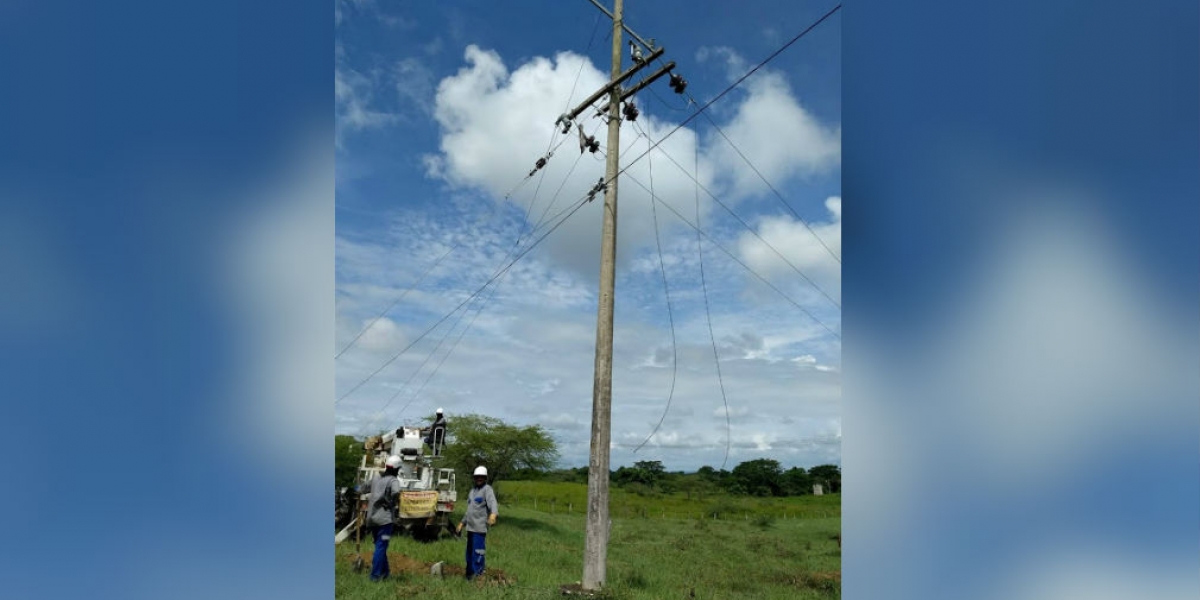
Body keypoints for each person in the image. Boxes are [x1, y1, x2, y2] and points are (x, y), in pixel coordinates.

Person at [362, 455, 403, 581]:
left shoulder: (376, 478)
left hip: (372, 520)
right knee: (381, 546)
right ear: (397, 469)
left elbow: (362, 488)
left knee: (380, 545)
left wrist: (354, 490)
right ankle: (375, 576)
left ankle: (385, 573)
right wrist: (390, 501)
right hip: (385, 521)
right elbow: (396, 492)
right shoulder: (393, 480)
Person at [455, 466, 497, 580]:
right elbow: (469, 511)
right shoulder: (472, 491)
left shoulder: (487, 489)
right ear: (474, 478)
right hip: (470, 528)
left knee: (478, 554)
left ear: (485, 478)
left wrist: (493, 515)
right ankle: (469, 576)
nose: (479, 479)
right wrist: (461, 523)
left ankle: (478, 578)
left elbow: (493, 503)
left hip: (479, 529)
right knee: (469, 554)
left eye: (481, 477)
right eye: (477, 477)